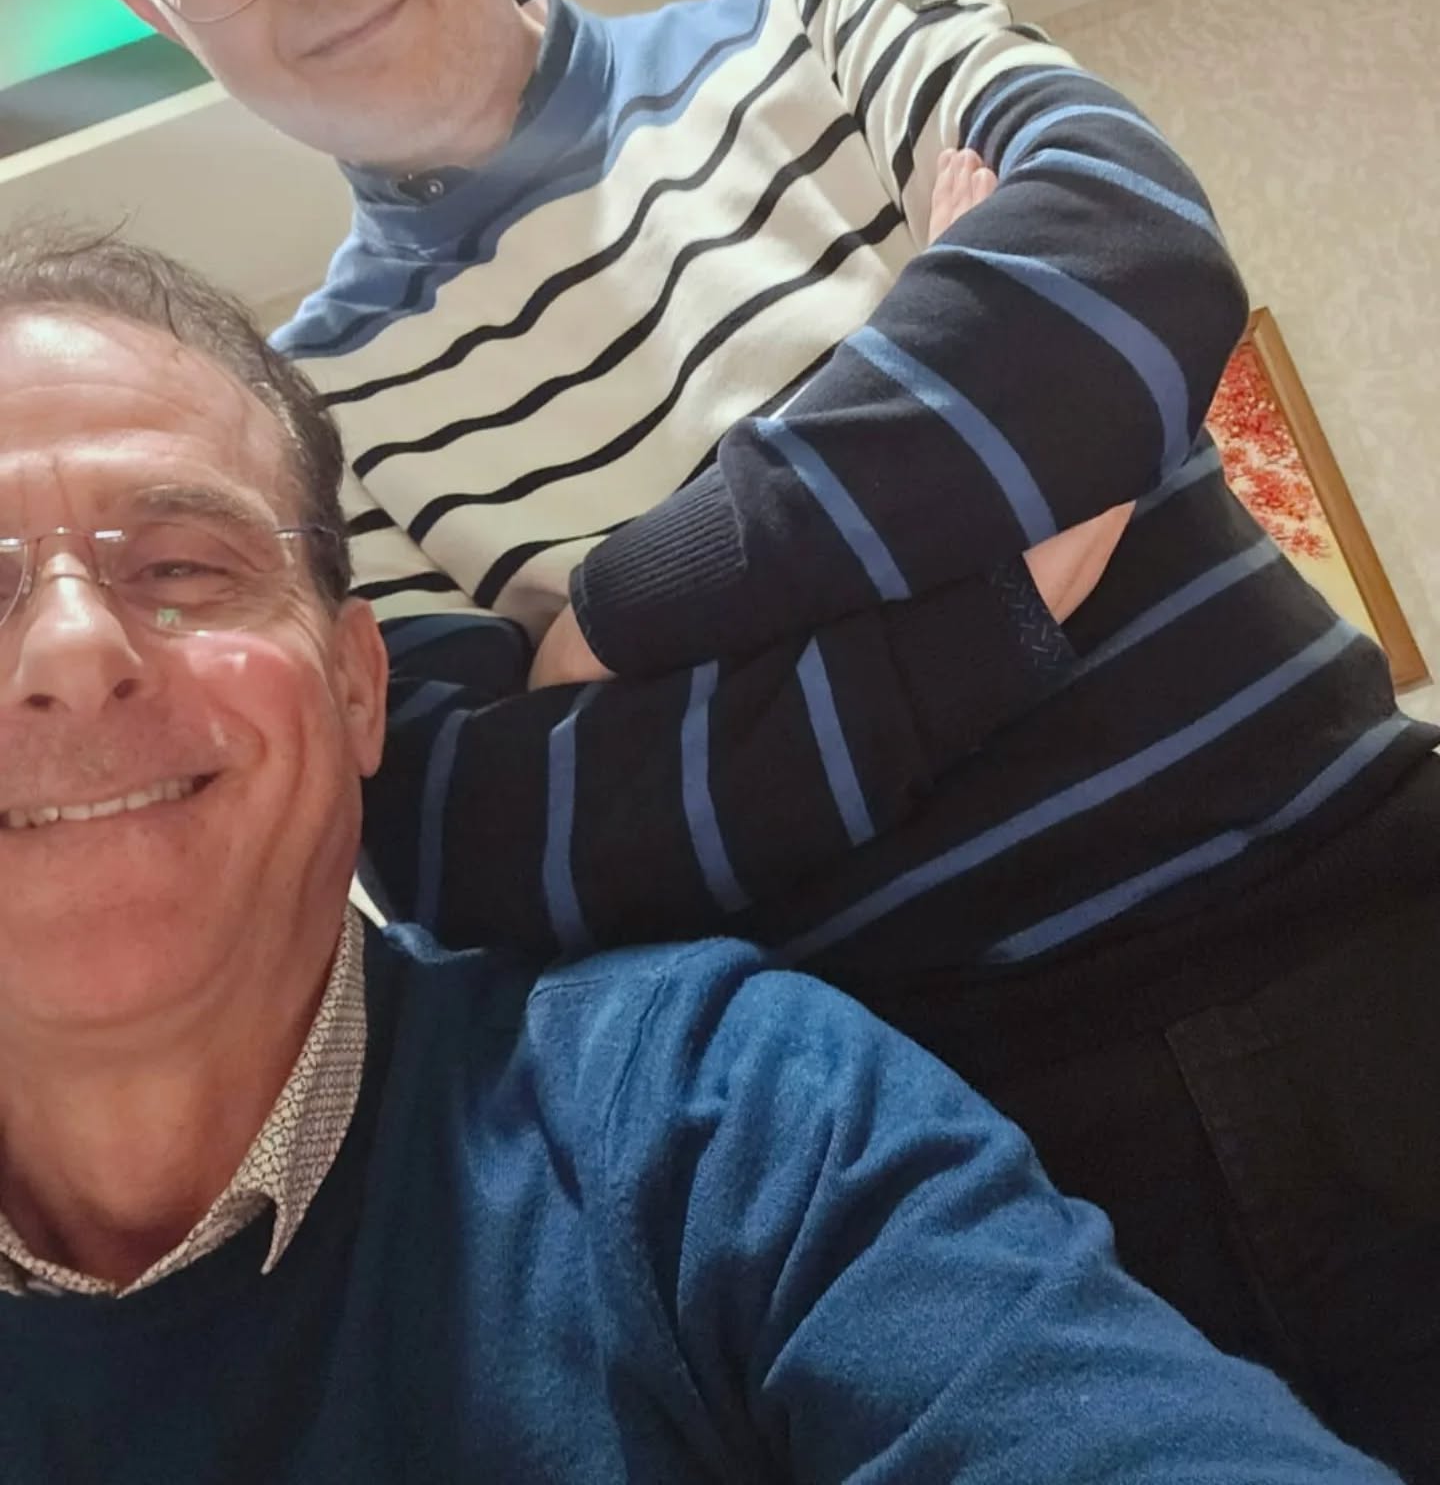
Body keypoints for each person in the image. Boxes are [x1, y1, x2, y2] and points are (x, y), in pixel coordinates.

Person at [18, 0, 1440, 1474]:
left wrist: (623, 611)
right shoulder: (299, 425)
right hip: (944, 1142)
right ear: (161, 8)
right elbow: (508, 849)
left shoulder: (820, 10)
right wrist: (1006, 571)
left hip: (1375, 906)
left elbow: (1127, 276)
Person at [0, 226, 1403, 1484]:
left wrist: (607, 623)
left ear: (361, 687)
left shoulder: (721, 1120)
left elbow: (1133, 251)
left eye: (183, 567)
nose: (71, 651)